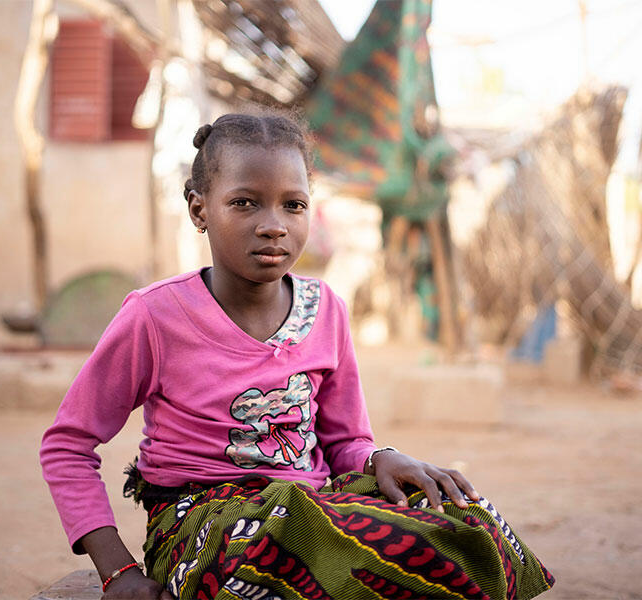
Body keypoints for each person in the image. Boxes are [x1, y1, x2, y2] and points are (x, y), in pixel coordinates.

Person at [40, 111, 554, 600]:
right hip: (207, 529)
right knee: (299, 522)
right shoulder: (155, 317)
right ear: (199, 208)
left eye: (294, 204)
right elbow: (67, 445)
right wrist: (118, 572)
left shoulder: (325, 308)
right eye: (245, 203)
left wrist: (381, 457)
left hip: (316, 512)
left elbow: (345, 440)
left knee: (466, 519)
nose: (273, 225)